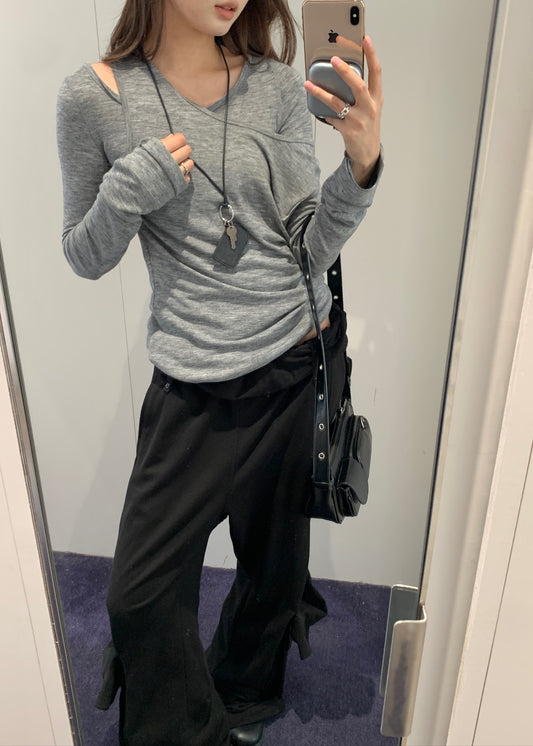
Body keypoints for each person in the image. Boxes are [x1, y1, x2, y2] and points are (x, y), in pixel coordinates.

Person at [56, 1, 383, 744]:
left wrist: (361, 166)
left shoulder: (274, 85)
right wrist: (127, 190)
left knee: (272, 569)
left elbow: (309, 245)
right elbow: (84, 255)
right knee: (139, 596)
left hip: (291, 362)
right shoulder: (92, 97)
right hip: (192, 384)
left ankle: (244, 697)